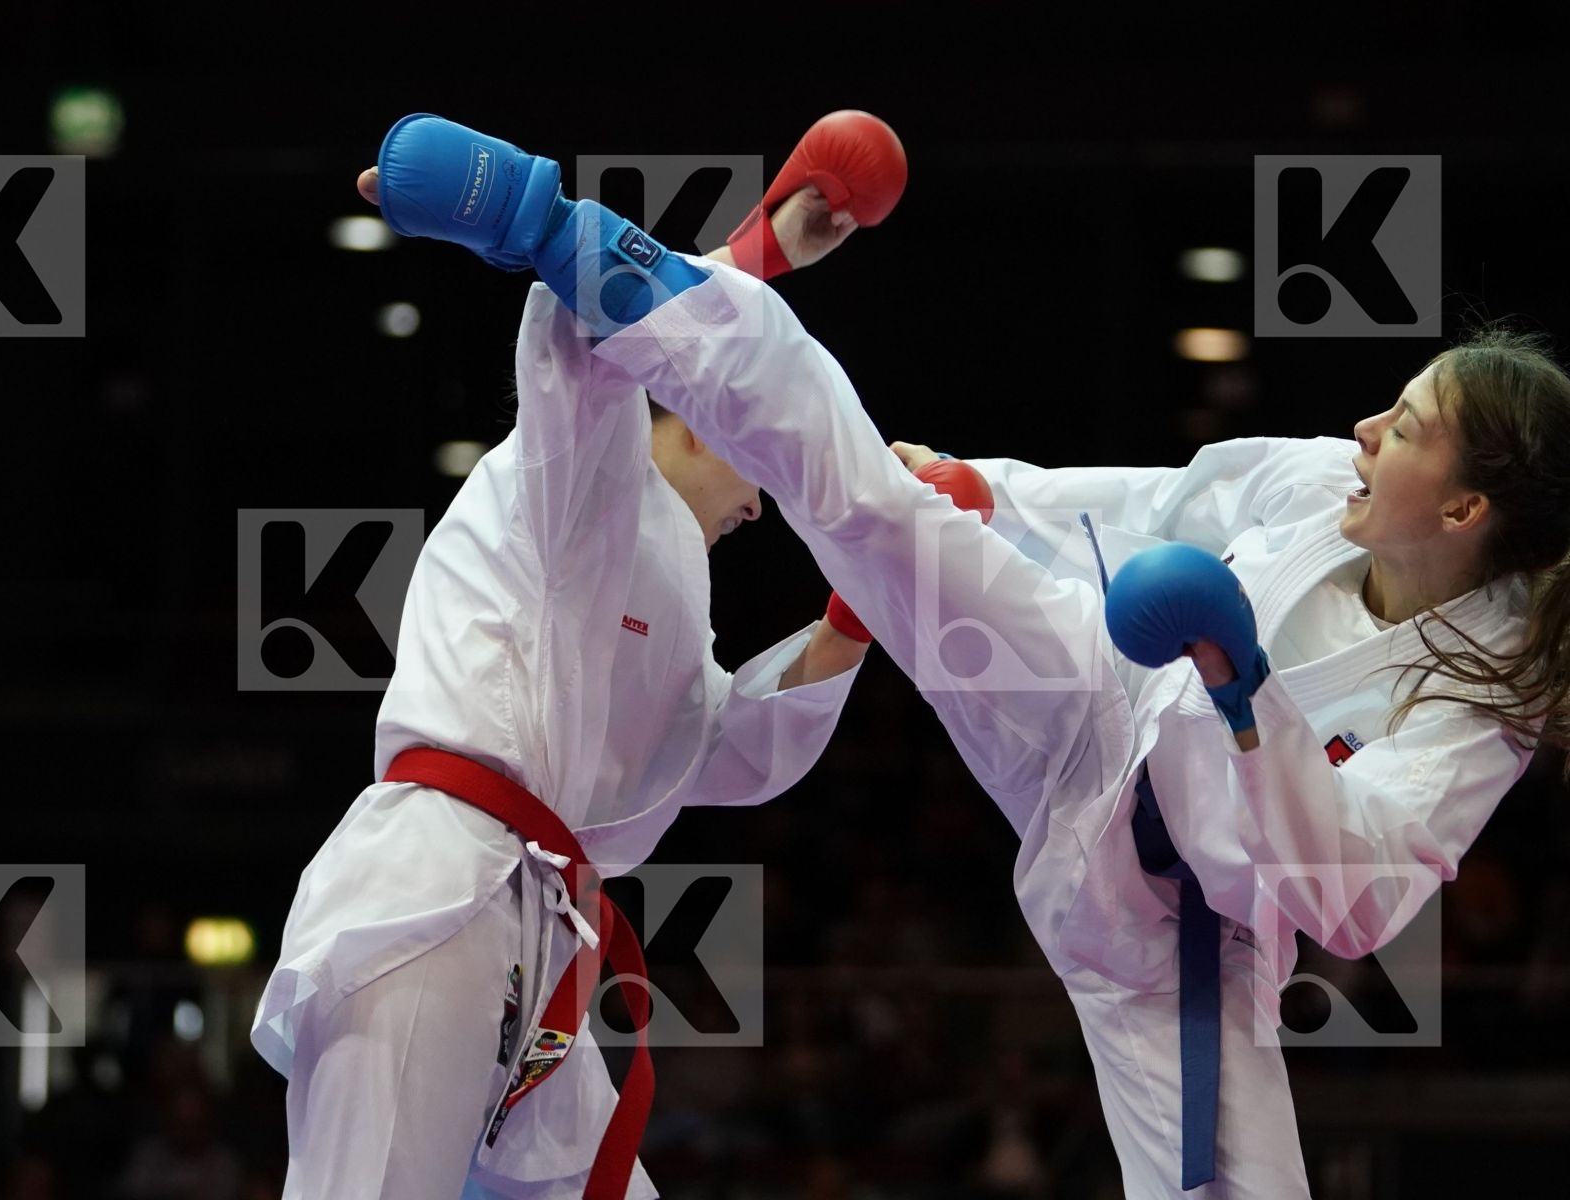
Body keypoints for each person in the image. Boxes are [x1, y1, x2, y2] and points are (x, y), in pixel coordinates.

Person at [371, 114, 1570, 1196]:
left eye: (1405, 427)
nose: (1366, 428)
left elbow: (1354, 901)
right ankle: (550, 221)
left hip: (1177, 928)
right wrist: (989, 492)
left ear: (1465, 512)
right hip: (1086, 698)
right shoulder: (1322, 481)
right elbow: (1159, 502)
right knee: (876, 508)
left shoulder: (1485, 701)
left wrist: (1244, 688)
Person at [252, 115, 962, 1199]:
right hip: (435, 895)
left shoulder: (672, 579)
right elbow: (605, 327)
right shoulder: (585, 471)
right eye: (762, 450)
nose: (767, 500)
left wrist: (858, 606)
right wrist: (750, 249)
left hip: (536, 935)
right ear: (702, 415)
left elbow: (724, 749)